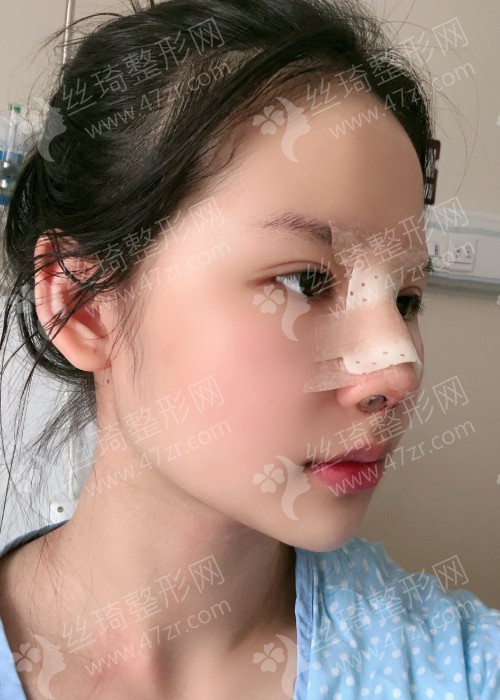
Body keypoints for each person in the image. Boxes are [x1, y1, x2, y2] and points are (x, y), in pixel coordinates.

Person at [0, 0, 498, 698]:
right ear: (83, 308)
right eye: (307, 281)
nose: (398, 369)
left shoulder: (461, 670)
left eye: (406, 299)